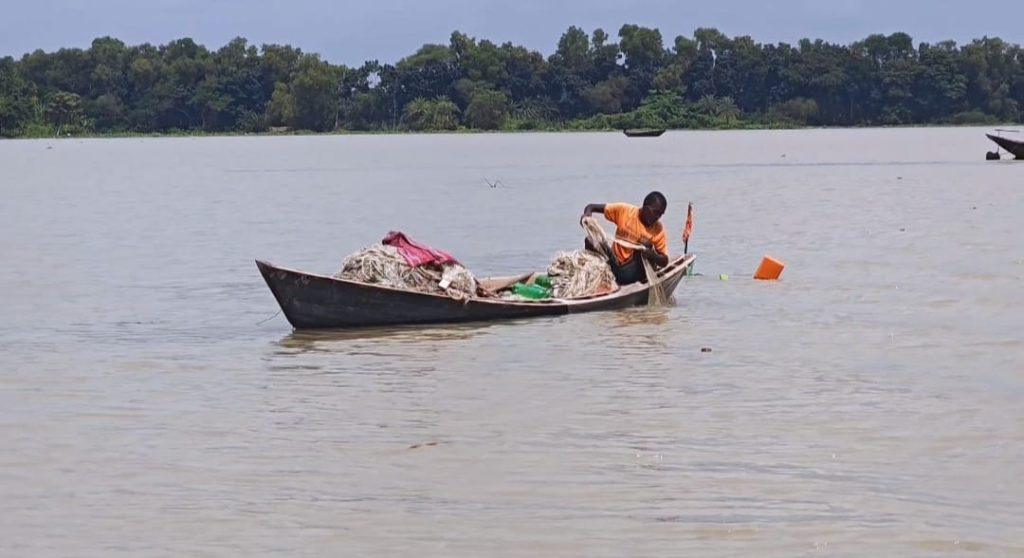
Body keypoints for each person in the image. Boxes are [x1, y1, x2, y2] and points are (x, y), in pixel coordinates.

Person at [581, 191, 669, 285]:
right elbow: (591, 207)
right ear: (645, 205)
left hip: (634, 272)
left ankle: (627, 280)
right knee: (590, 240)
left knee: (644, 244)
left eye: (660, 214)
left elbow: (665, 261)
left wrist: (652, 255)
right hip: (613, 264)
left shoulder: (658, 229)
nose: (657, 217)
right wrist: (587, 215)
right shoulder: (626, 211)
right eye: (655, 212)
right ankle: (601, 276)